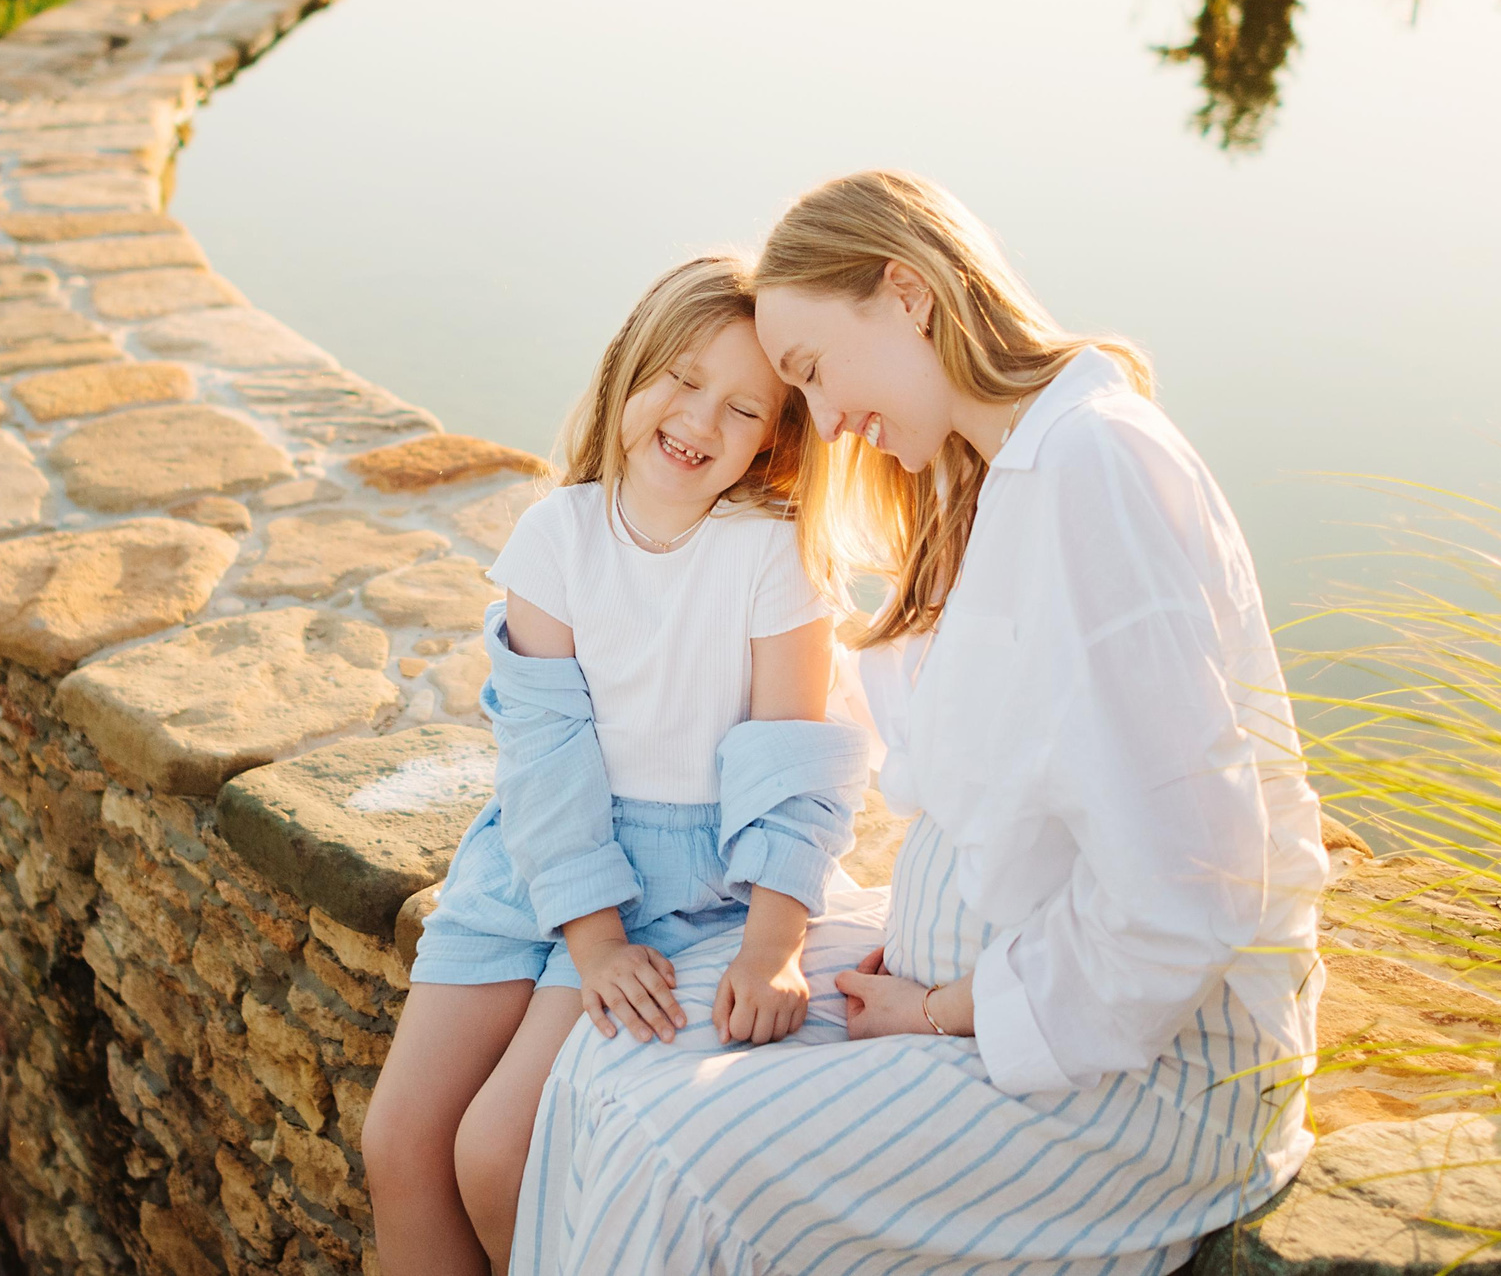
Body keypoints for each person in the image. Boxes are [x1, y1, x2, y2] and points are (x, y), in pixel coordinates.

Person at [513, 172, 1330, 1276]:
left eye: (809, 372)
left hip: (1138, 1071)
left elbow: (1188, 884)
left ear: (907, 292)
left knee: (673, 1149)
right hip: (977, 978)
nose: (827, 420)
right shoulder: (995, 473)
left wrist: (951, 1005)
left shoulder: (1098, 462)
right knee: (601, 1070)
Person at [362, 255, 873, 1275]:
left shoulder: (771, 554)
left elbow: (795, 760)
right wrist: (586, 936)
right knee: (398, 1140)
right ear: (629, 368)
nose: (697, 420)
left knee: (500, 1151)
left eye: (740, 406)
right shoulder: (555, 538)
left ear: (774, 437)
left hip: (675, 883)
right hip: (544, 860)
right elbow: (545, 757)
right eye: (679, 378)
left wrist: (774, 940)